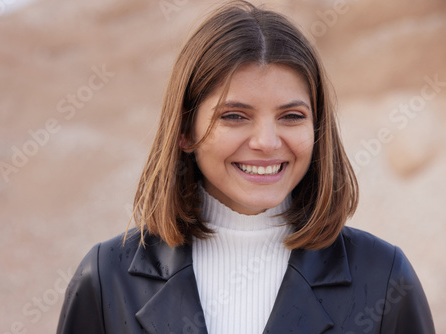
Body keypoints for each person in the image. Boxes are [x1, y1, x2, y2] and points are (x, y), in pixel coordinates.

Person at [56, 1, 435, 333]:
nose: (267, 142)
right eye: (235, 115)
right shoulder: (106, 278)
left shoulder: (385, 278)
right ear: (185, 131)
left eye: (291, 116)